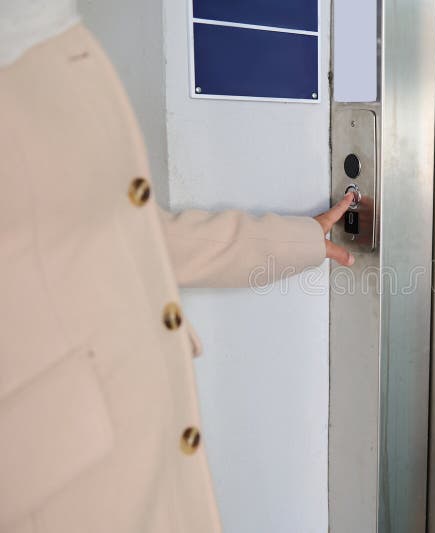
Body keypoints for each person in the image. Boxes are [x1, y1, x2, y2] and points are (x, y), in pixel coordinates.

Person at [0, 2, 352, 532]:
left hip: (126, 442)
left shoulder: (46, 35)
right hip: (62, 477)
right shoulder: (25, 49)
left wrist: (300, 239)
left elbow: (130, 235)